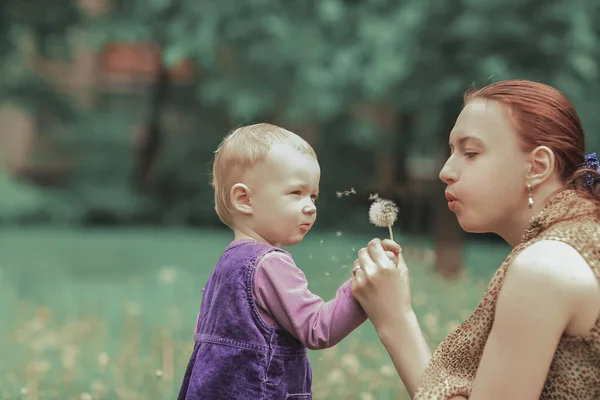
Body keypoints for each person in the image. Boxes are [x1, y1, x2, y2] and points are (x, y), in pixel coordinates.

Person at [351, 79, 600, 399]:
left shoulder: (545, 267)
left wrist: (395, 320)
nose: (446, 170)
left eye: (471, 152)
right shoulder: (582, 240)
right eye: (452, 151)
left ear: (537, 166)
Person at [177, 123, 377, 400]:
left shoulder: (226, 265)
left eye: (313, 195)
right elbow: (318, 328)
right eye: (296, 193)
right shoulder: (270, 264)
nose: (311, 206)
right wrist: (364, 290)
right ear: (244, 199)